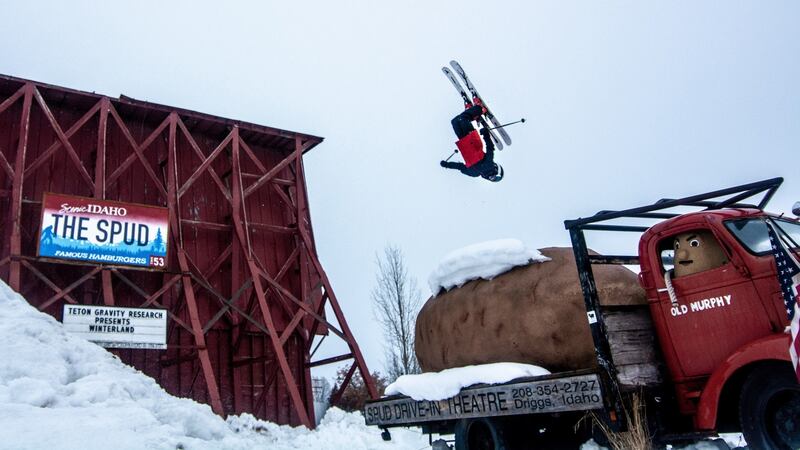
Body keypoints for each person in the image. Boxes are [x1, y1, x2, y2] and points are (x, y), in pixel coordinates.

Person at [440, 100, 504, 182]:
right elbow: (490, 148)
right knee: (462, 119)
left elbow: (460, 167)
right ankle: (480, 108)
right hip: (471, 139)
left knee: (455, 121)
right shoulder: (487, 166)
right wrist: (485, 134)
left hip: (463, 141)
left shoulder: (474, 173)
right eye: (493, 178)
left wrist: (447, 165)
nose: (490, 178)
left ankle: (475, 111)